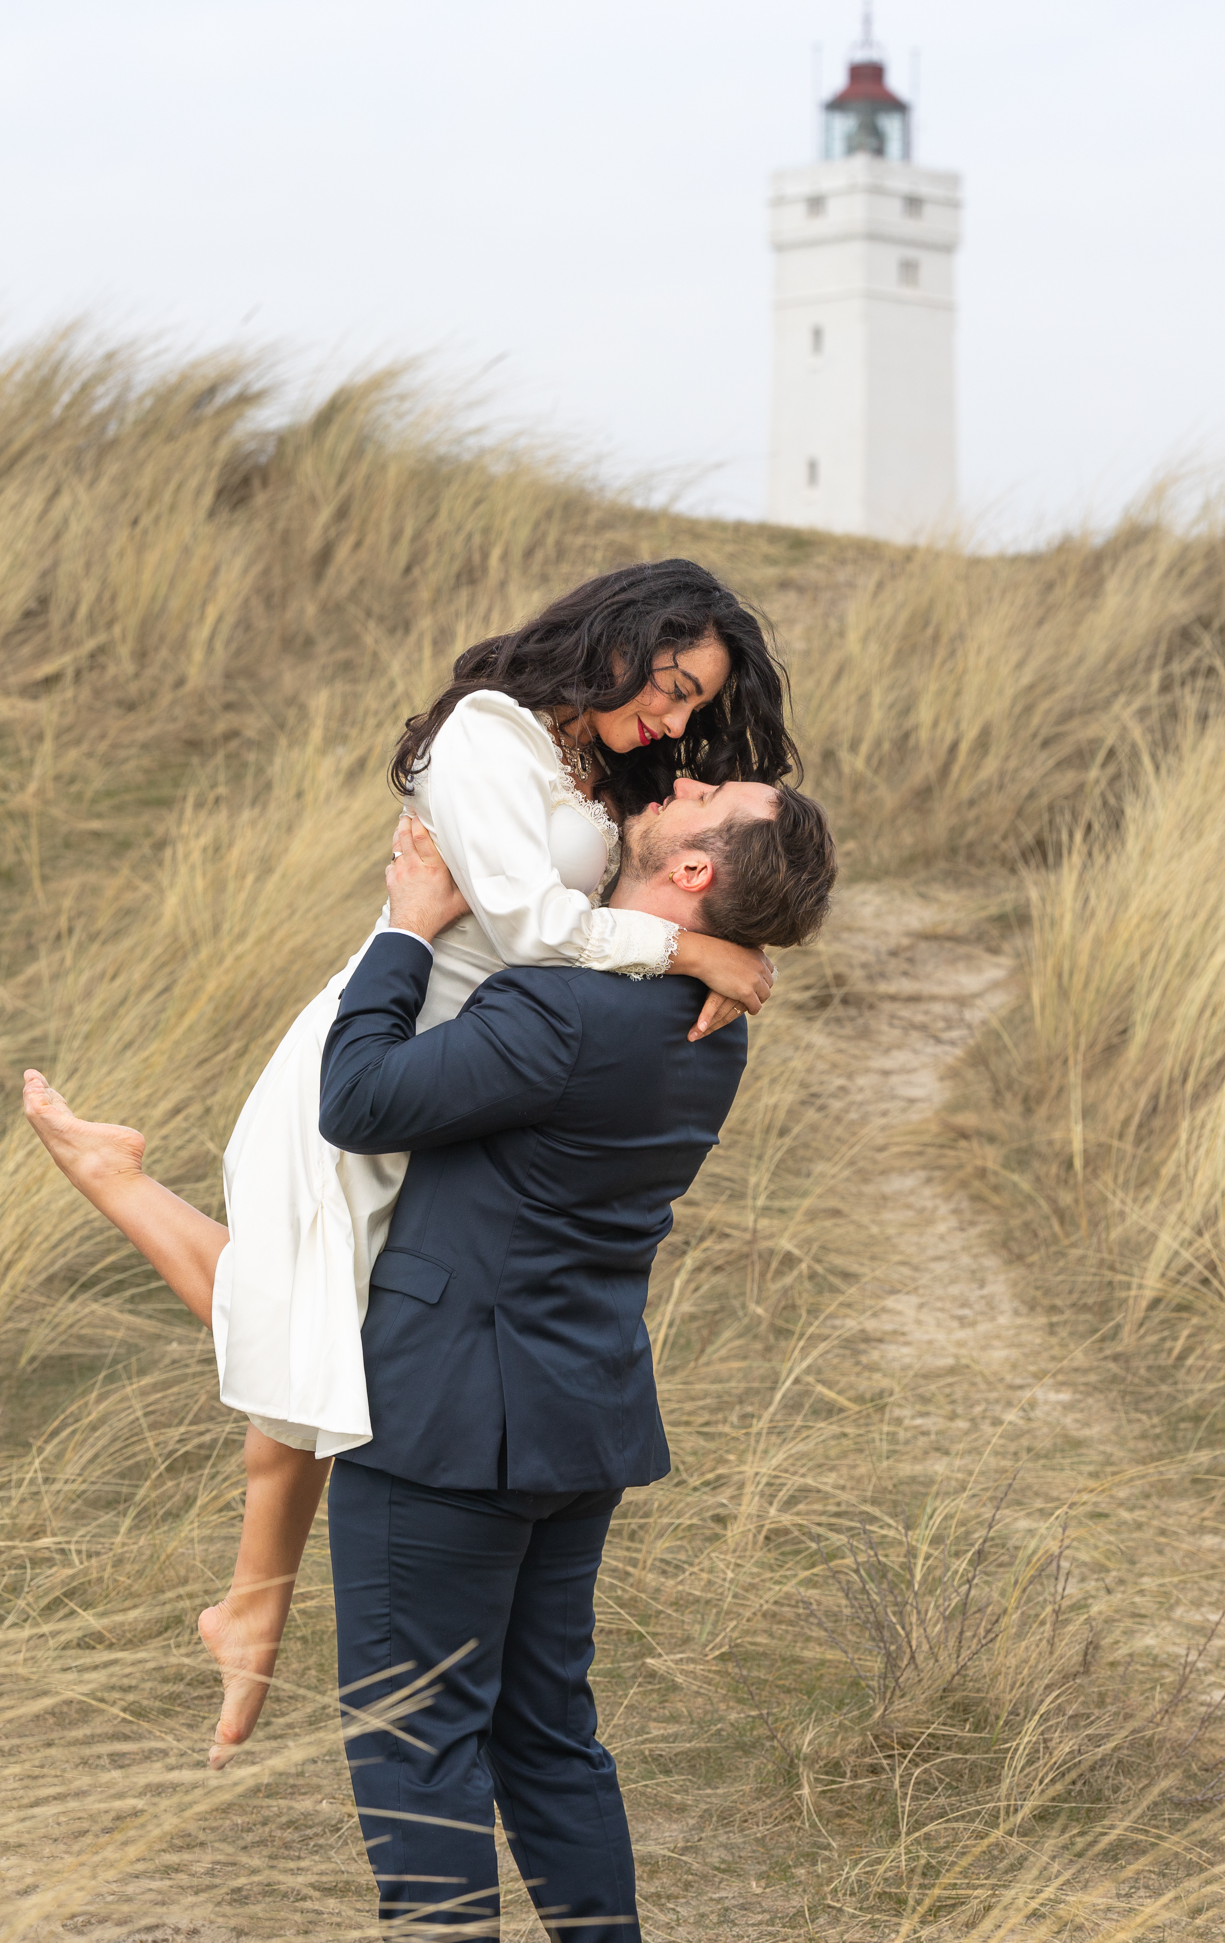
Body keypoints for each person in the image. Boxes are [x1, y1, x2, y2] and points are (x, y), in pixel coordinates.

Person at [20, 558, 800, 1767]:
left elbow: (669, 881)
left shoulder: (594, 762)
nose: (676, 718)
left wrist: (718, 944)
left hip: (473, 1065)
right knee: (320, 1313)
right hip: (382, 1045)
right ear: (617, 637)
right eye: (671, 683)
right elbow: (531, 923)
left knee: (337, 1318)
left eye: (695, 703)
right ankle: (252, 1597)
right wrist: (690, 952)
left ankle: (249, 1597)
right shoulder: (488, 733)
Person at [319, 784, 836, 1938]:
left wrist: (407, 928)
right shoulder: (712, 1019)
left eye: (706, 795)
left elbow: (356, 1099)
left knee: (416, 1739)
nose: (680, 784)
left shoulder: (556, 1008)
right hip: (578, 1416)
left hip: (450, 1419)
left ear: (695, 872)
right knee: (547, 1733)